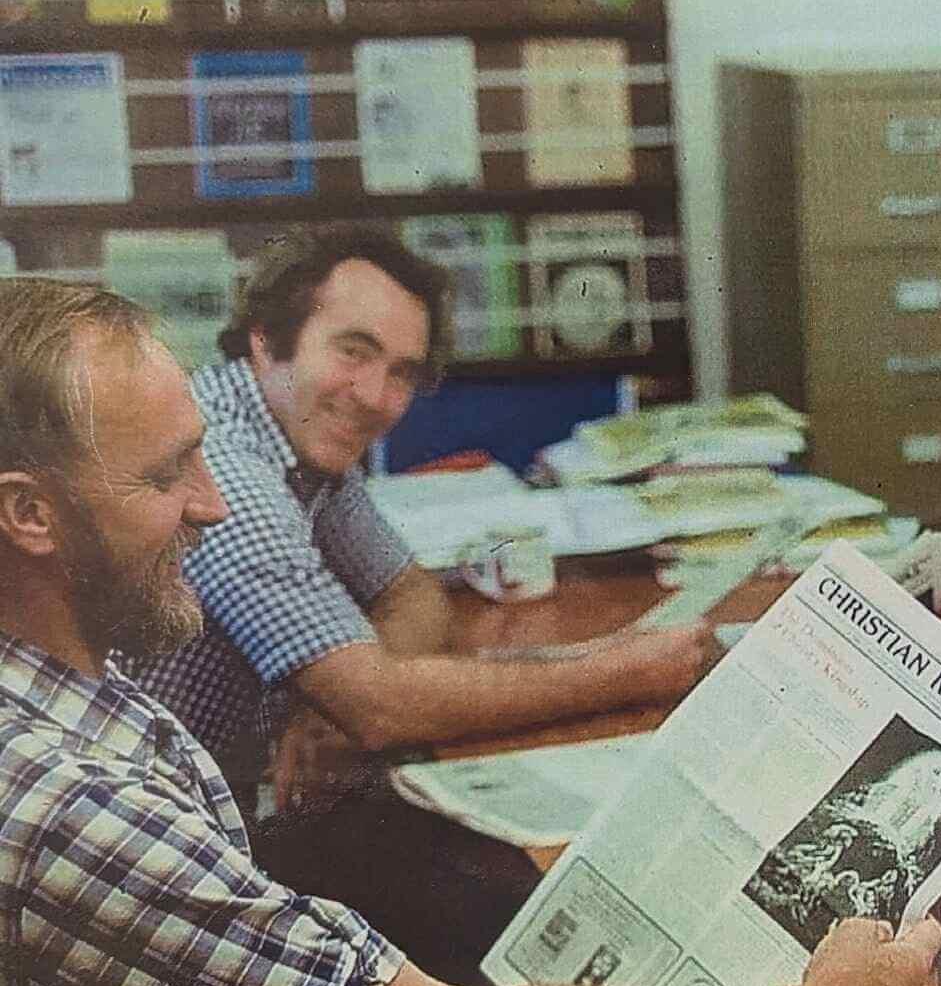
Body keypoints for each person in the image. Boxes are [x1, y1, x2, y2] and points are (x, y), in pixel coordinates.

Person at [0, 277, 941, 986]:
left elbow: (406, 607)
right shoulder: (60, 803)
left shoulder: (61, 669)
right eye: (166, 476)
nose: (213, 502)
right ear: (31, 514)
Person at [127, 226, 716, 813]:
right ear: (265, 340)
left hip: (224, 796)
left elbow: (411, 594)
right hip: (162, 822)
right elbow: (381, 710)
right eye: (353, 351)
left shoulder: (303, 439)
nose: (374, 396)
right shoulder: (226, 466)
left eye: (403, 373)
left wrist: (332, 700)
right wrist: (624, 672)